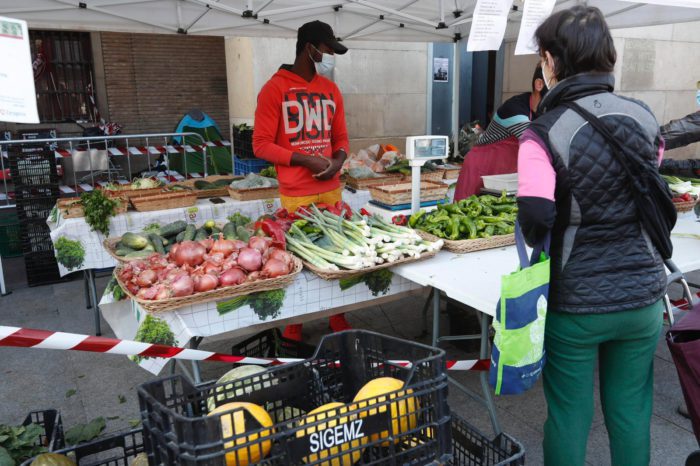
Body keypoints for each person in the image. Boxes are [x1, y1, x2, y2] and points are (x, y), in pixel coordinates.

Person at [516, 6, 666, 465]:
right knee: (632, 409)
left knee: (568, 415)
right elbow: (646, 193)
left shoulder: (541, 134)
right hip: (643, 298)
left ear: (550, 60)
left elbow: (536, 215)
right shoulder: (645, 118)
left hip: (577, 305)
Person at [253, 20, 351, 341]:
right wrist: (304, 159)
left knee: (334, 259)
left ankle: (337, 314)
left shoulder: (330, 90)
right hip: (296, 193)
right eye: (326, 49)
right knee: (299, 262)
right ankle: (295, 323)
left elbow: (342, 139)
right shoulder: (274, 89)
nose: (329, 55)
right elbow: (261, 144)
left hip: (331, 191)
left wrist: (337, 160)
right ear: (309, 47)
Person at [453, 65, 546, 200]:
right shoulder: (515, 108)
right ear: (539, 84)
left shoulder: (542, 112)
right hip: (481, 170)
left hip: (505, 178)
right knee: (467, 213)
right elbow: (536, 144)